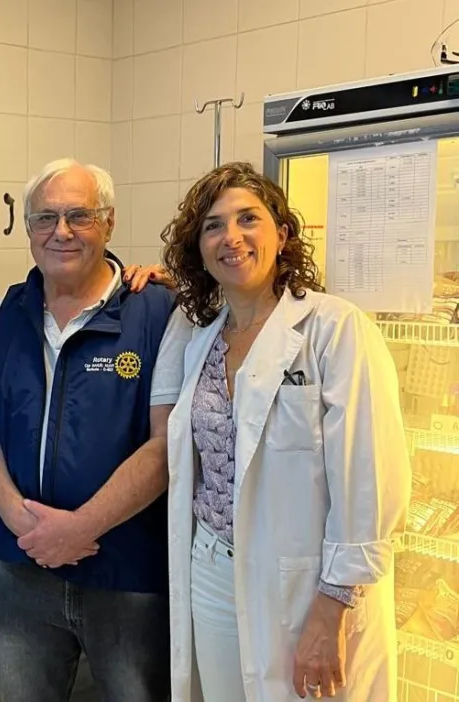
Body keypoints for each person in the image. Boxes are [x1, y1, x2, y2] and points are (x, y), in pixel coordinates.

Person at [125, 162, 410, 701]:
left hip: (305, 583)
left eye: (247, 219)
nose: (231, 237)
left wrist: (332, 605)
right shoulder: (201, 341)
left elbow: (370, 480)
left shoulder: (334, 330)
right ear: (199, 248)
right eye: (212, 226)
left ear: (281, 234)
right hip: (211, 572)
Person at [0, 157, 178, 702]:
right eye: (45, 218)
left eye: (79, 215)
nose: (61, 232)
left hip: (127, 576)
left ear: (109, 222)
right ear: (28, 229)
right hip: (21, 570)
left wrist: (80, 528)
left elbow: (166, 443)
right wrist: (22, 521)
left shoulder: (158, 313)